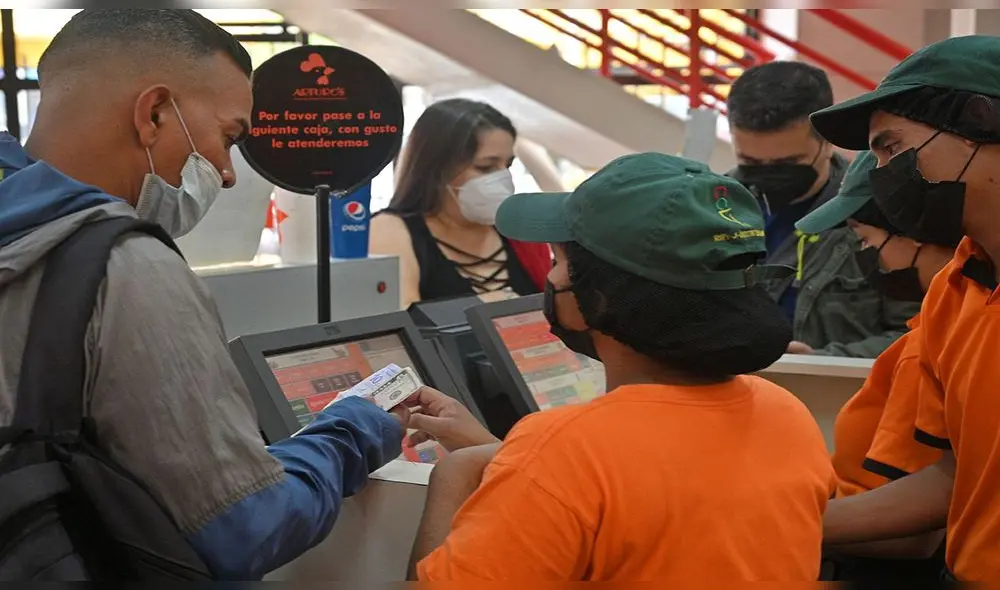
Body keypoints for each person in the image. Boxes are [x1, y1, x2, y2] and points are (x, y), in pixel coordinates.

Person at [0, 10, 407, 579]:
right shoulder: (122, 265)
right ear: (155, 113)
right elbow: (242, 526)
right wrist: (354, 429)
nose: (228, 172)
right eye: (229, 136)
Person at [406, 153, 835, 581]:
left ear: (600, 295)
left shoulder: (563, 452)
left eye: (557, 263)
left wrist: (454, 474)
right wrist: (514, 459)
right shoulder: (787, 415)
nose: (551, 280)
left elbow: (597, 470)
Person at [809, 35, 1000, 581]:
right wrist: (787, 519)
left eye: (891, 149)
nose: (882, 177)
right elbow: (954, 475)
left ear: (983, 123)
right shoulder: (956, 291)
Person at [795, 151, 956, 581]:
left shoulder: (929, 347)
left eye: (866, 241)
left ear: (914, 233)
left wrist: (777, 522)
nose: (869, 258)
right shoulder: (943, 329)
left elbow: (914, 532)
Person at [726, 61, 918, 358]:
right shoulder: (713, 210)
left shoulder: (883, 215)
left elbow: (919, 334)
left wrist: (822, 361)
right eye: (750, 163)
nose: (767, 174)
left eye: (787, 163)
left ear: (827, 142)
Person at [369, 99, 548, 307]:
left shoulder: (520, 235)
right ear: (437, 169)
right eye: (486, 167)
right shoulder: (389, 231)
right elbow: (401, 327)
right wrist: (485, 306)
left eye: (507, 165)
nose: (503, 178)